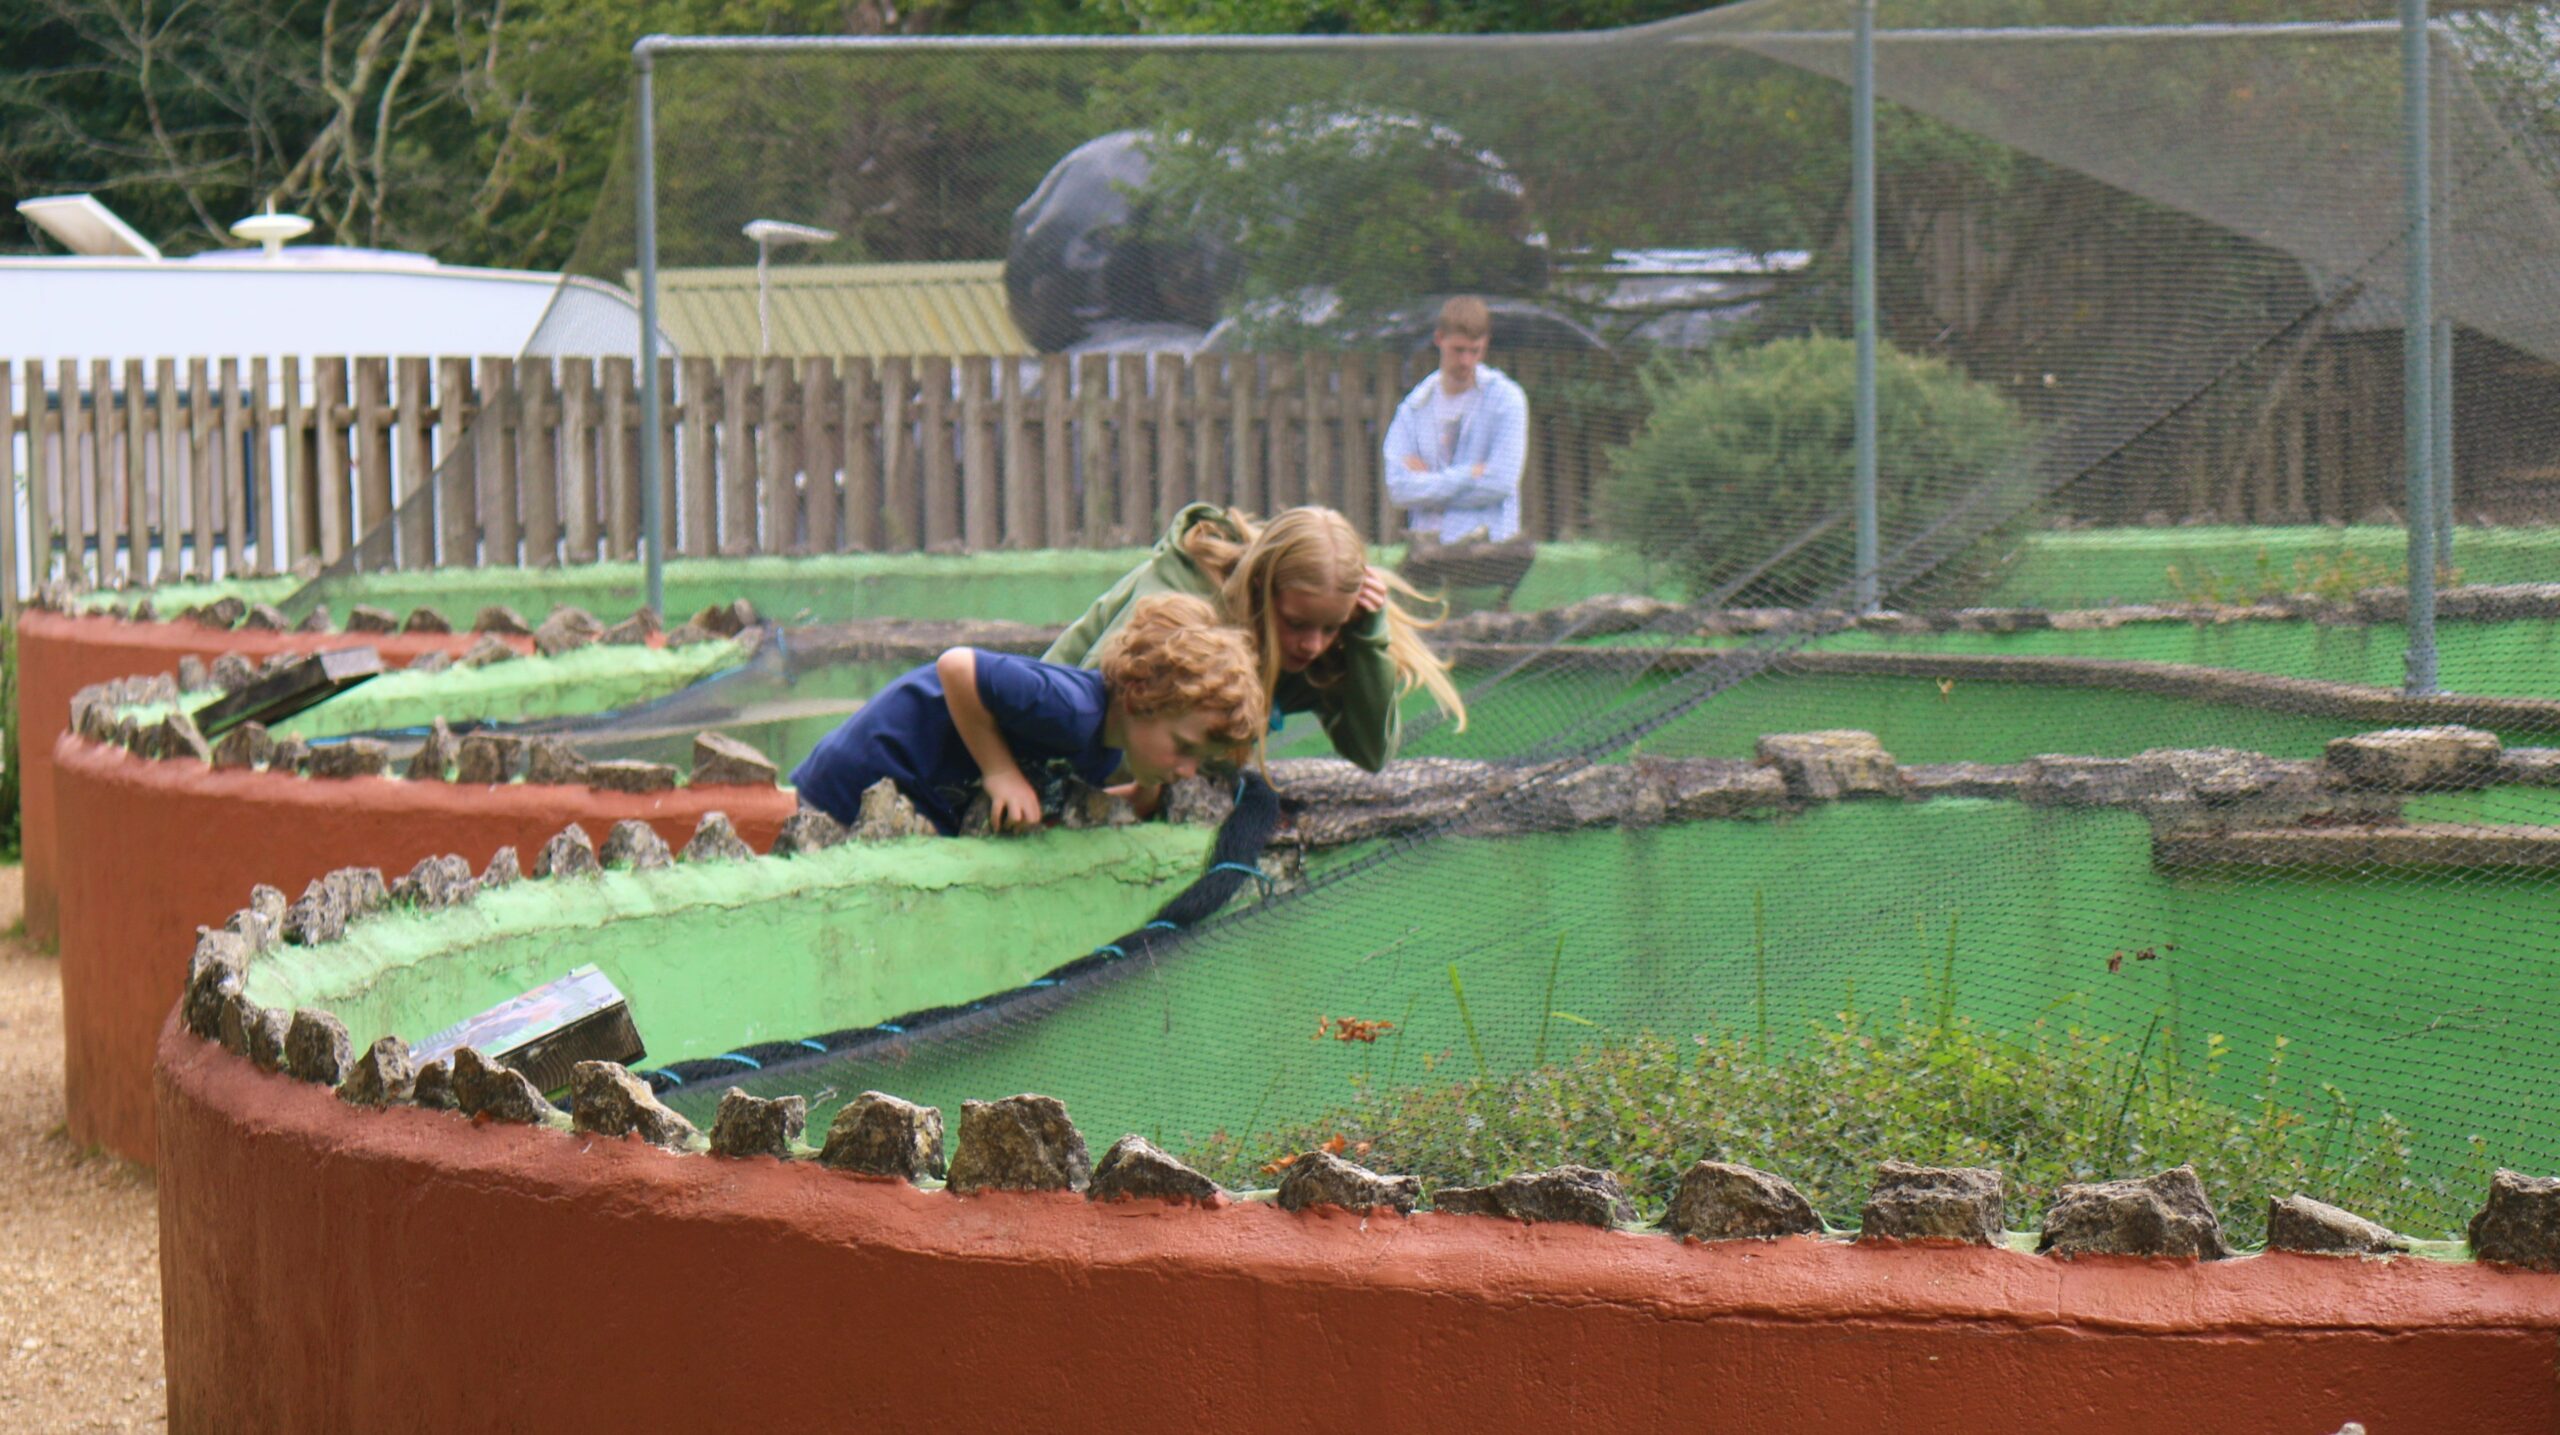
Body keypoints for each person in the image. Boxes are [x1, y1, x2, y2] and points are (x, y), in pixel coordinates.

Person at [792, 592, 1263, 835]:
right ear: (1140, 696)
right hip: (862, 772)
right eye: (1184, 748)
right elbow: (957, 666)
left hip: (920, 795)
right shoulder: (1069, 708)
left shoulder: (1102, 752)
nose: (1187, 770)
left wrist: (1146, 789)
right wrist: (1000, 772)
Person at [1043, 504, 1466, 773]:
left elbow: (1373, 754)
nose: (1312, 645)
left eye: (1330, 627)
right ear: (1262, 586)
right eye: (1296, 623)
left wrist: (1368, 636)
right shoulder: (1175, 606)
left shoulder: (1322, 645)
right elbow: (1079, 709)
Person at [1384, 296, 1529, 544]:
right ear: (1439, 339)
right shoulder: (1414, 407)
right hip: (1429, 551)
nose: (1466, 361)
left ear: (1486, 344)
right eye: (1458, 350)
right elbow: (1398, 489)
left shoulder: (1507, 400)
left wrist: (1428, 484)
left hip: (1492, 550)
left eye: (1476, 351)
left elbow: (1501, 482)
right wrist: (1469, 474)